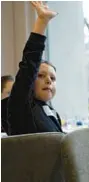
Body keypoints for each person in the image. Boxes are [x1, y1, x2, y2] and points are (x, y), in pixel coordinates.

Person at [7, 1, 62, 135]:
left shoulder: (52, 112)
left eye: (53, 78)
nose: (49, 81)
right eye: (41, 75)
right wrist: (41, 23)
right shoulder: (22, 106)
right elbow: (29, 66)